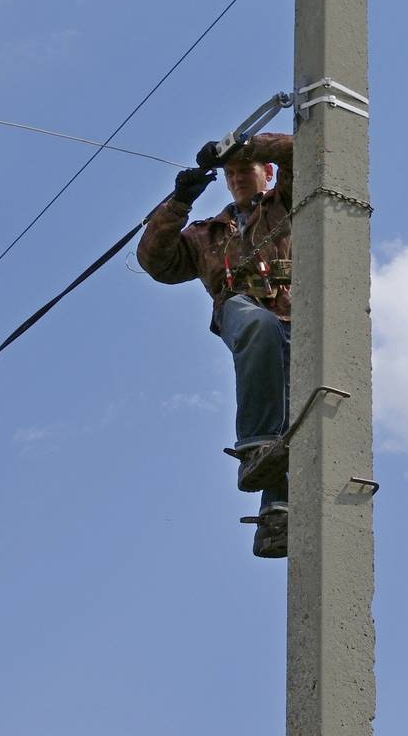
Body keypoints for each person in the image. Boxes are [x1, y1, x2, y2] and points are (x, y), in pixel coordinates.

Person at [137, 133, 294, 558]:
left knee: (298, 407)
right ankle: (256, 444)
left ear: (268, 172)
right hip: (241, 310)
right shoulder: (207, 234)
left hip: (300, 319)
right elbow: (155, 261)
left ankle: (277, 516)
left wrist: (243, 147)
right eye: (232, 174)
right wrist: (178, 203)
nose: (239, 177)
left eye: (247, 170)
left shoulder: (290, 201)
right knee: (259, 327)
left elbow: (299, 148)